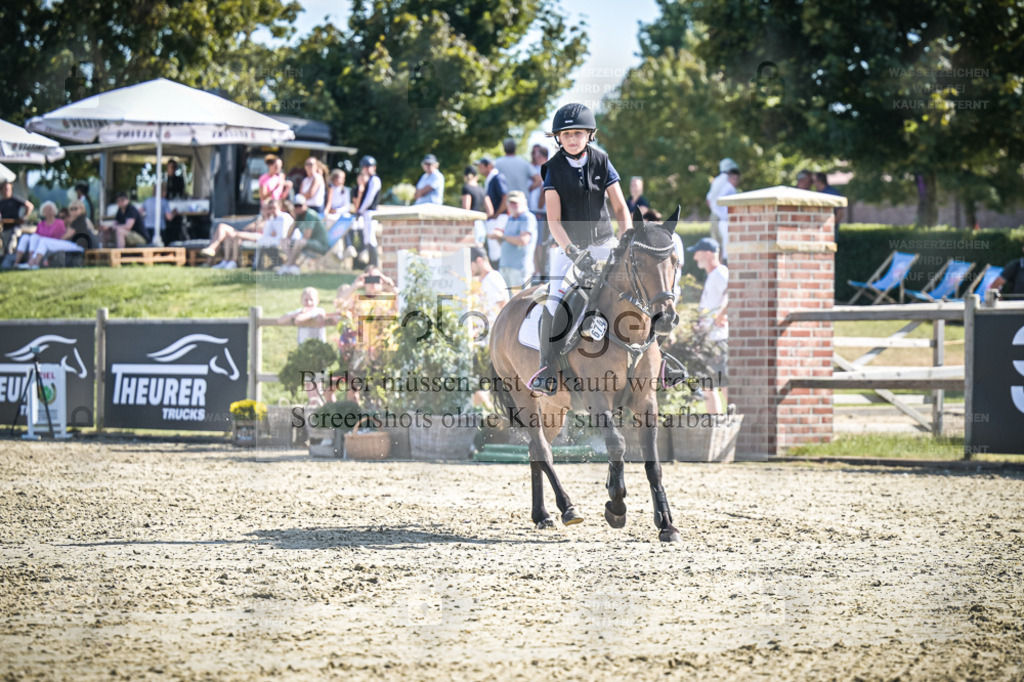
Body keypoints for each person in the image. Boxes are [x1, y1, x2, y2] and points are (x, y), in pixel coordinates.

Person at [531, 102, 630, 396]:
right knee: (553, 300)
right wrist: (574, 253)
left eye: (578, 133)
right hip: (567, 248)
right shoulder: (553, 169)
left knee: (638, 289)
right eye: (566, 134)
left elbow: (622, 209)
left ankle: (659, 360)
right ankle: (546, 367)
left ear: (590, 134)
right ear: (558, 138)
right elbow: (553, 221)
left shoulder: (602, 161)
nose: (572, 138)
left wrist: (624, 244)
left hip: (605, 243)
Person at [687, 237, 729, 414]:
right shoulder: (713, 274)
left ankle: (738, 426)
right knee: (708, 387)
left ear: (708, 253)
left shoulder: (720, 273)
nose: (695, 257)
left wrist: (722, 314)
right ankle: (717, 425)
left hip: (717, 340)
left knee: (724, 386)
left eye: (697, 252)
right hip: (708, 340)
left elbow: (735, 293)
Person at [279, 287, 331, 404]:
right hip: (305, 355)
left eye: (311, 300)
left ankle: (320, 411)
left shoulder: (318, 311)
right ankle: (312, 412)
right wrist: (297, 314)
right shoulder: (299, 311)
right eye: (306, 300)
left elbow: (299, 320)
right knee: (308, 386)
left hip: (318, 356)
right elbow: (281, 320)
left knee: (318, 387)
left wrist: (301, 316)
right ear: (301, 300)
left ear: (317, 301)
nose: (308, 303)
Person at [12, 201, 82, 269]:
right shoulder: (41, 224)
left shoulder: (60, 222)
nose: (48, 211)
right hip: (43, 245)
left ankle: (32, 263)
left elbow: (62, 237)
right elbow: (36, 237)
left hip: (55, 244)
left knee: (42, 240)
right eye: (46, 209)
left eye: (50, 209)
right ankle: (17, 263)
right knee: (26, 237)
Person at [489, 190, 537, 288]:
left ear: (523, 202)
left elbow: (523, 240)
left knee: (520, 301)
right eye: (510, 203)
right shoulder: (511, 218)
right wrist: (497, 237)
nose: (513, 205)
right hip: (506, 266)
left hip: (519, 268)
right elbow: (505, 242)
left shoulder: (527, 217)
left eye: (516, 202)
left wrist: (501, 236)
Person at [276, 194, 330, 275]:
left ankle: (289, 265)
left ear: (305, 205)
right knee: (284, 241)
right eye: (296, 206)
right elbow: (289, 235)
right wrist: (295, 220)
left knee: (299, 242)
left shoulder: (310, 215)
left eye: (300, 206)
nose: (298, 208)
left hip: (321, 246)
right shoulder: (299, 216)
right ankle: (293, 266)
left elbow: (306, 237)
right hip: (309, 243)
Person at [201, 204, 270, 263]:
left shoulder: (270, 221)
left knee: (230, 232)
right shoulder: (259, 220)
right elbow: (246, 229)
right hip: (245, 234)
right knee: (224, 229)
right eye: (262, 208)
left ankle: (214, 249)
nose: (262, 210)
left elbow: (262, 232)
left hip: (258, 236)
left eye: (264, 208)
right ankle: (226, 261)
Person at [477, 157, 509, 268]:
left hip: (499, 219)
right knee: (493, 250)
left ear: (489, 166)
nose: (479, 169)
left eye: (481, 166)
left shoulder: (497, 178)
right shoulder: (491, 179)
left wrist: (496, 214)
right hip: (496, 218)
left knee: (497, 249)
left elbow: (505, 198)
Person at [706, 159, 740, 262]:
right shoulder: (726, 181)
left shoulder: (716, 180)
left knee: (716, 246)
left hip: (714, 215)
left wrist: (714, 208)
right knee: (721, 247)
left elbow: (708, 200)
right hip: (720, 217)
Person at [352, 155, 382, 266]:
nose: (365, 169)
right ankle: (370, 264)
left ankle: (375, 264)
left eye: (368, 166)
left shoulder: (375, 180)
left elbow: (369, 198)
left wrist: (360, 210)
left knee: (370, 238)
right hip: (365, 212)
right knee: (366, 239)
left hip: (370, 212)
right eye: (364, 167)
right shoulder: (368, 181)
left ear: (373, 167)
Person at [0, 180, 34, 257]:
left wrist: (24, 216)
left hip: (16, 226)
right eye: (5, 189)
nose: (7, 191)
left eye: (9, 189)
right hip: (5, 228)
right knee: (4, 246)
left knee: (11, 244)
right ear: (1, 191)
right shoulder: (1, 203)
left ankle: (10, 259)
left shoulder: (14, 200)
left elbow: (29, 206)